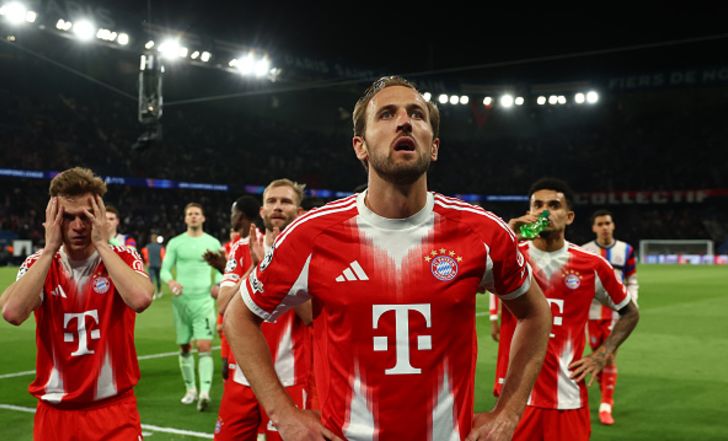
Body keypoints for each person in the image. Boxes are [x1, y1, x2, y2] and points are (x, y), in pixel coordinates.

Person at [224, 76, 552, 441]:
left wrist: (509, 412)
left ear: (434, 146)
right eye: (387, 114)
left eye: (417, 114)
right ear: (360, 146)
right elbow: (239, 316)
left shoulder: (481, 232)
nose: (405, 122)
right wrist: (283, 414)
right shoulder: (311, 235)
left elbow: (536, 312)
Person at [0, 167, 153, 440]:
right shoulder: (40, 263)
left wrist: (102, 244)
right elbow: (12, 312)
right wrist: (49, 250)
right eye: (68, 217)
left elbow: (141, 299)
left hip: (113, 411)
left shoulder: (123, 256)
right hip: (55, 414)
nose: (78, 226)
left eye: (86, 216)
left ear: (99, 216)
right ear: (53, 218)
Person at [497, 178, 640, 441]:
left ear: (569, 216)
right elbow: (465, 283)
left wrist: (602, 354)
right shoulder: (509, 257)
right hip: (515, 400)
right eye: (538, 205)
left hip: (567, 397)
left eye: (554, 205)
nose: (544, 211)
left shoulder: (592, 265)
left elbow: (630, 312)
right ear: (528, 212)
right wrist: (507, 236)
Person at [214, 180, 313, 441]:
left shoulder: (310, 253)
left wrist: (280, 263)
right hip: (243, 377)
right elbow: (223, 305)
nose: (278, 207)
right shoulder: (241, 248)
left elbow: (310, 317)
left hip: (289, 379)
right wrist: (255, 269)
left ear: (299, 212)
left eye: (286, 202)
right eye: (272, 201)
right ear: (262, 211)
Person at [161, 202, 223, 411]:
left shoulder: (212, 242)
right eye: (190, 214)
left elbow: (222, 269)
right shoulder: (176, 243)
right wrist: (171, 282)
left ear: (203, 218)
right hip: (181, 302)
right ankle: (190, 390)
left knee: (204, 346)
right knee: (185, 347)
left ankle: (204, 393)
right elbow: (164, 270)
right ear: (185, 218)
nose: (193, 216)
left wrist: (218, 284)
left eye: (197, 213)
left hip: (203, 301)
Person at [581, 209, 639, 425]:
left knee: (609, 354)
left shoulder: (626, 250)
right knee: (598, 354)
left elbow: (632, 279)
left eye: (607, 223)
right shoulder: (585, 251)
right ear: (594, 228)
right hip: (592, 312)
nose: (604, 227)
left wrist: (631, 304)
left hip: (616, 312)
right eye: (600, 224)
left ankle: (606, 404)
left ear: (613, 225)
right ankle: (603, 391)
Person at [203, 195, 260, 381]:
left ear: (240, 216)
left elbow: (224, 302)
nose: (231, 217)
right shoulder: (245, 245)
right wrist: (224, 267)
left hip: (247, 329)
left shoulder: (248, 245)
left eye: (232, 213)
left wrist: (251, 270)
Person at [142, 233, 166, 299]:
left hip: (151, 265)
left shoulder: (148, 246)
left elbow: (145, 254)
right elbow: (163, 255)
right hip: (158, 265)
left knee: (151, 280)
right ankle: (159, 292)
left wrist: (147, 262)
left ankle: (153, 294)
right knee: (158, 279)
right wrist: (162, 263)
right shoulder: (160, 247)